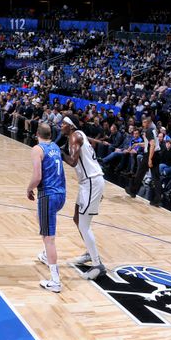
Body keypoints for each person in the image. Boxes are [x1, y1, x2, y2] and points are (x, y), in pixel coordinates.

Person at [58, 115, 106, 280]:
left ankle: (97, 264)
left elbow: (72, 161)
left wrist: (59, 152)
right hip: (90, 182)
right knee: (77, 218)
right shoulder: (79, 134)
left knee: (84, 225)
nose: (61, 125)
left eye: (64, 123)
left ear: (71, 126)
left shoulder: (75, 136)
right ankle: (89, 252)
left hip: (91, 182)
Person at [26, 123, 66, 293]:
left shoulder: (37, 149)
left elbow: (37, 176)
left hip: (48, 195)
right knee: (40, 219)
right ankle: (45, 254)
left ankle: (55, 281)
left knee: (49, 238)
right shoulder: (55, 146)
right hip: (61, 194)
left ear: (37, 134)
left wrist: (29, 188)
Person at [127, 112, 162, 206]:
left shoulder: (148, 131)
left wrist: (150, 159)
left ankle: (133, 191)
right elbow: (149, 143)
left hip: (151, 154)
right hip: (157, 153)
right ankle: (157, 200)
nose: (142, 124)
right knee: (156, 177)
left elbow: (152, 145)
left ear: (148, 123)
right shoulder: (154, 130)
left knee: (140, 173)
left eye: (144, 122)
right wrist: (138, 144)